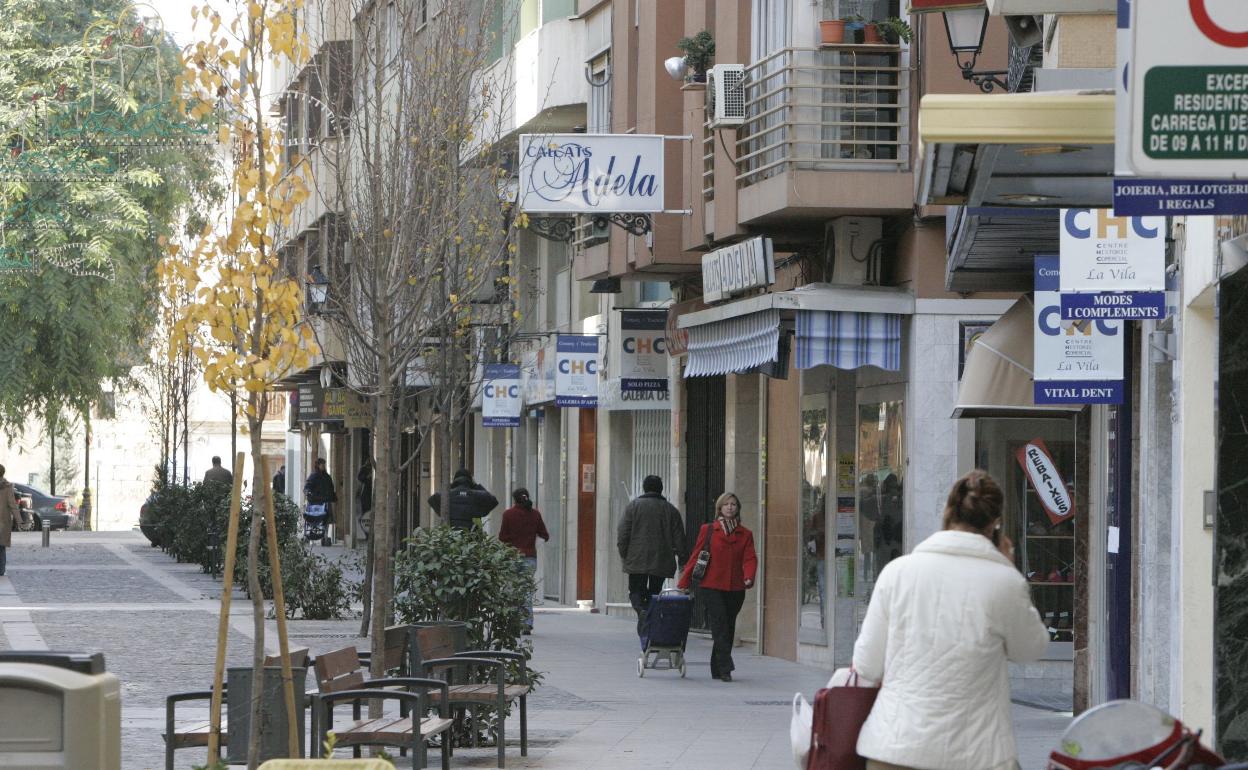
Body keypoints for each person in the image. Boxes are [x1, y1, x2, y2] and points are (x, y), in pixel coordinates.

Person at [852, 470, 1050, 770]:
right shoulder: (1003, 582)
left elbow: (867, 664)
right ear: (995, 524)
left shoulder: (898, 573)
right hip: (978, 753)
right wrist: (1008, 569)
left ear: (947, 513)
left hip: (895, 747)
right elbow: (1030, 649)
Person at [677, 492, 757, 682]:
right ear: (719, 508)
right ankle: (726, 667)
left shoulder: (745, 534)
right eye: (726, 504)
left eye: (734, 504)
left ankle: (716, 668)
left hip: (736, 587)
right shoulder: (709, 530)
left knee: (728, 627)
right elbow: (696, 555)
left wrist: (748, 577)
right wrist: (684, 582)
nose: (730, 507)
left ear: (738, 509)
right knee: (719, 624)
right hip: (712, 585)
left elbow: (750, 558)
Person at [616, 475, 687, 635]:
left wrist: (624, 554)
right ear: (661, 489)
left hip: (636, 559)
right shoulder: (671, 510)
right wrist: (682, 559)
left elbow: (623, 533)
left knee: (635, 590)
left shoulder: (633, 507)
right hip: (661, 560)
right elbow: (679, 538)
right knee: (655, 591)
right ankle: (649, 614)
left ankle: (642, 610)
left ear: (644, 488)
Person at [499, 488, 549, 635]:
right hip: (530, 557)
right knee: (526, 591)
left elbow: (502, 537)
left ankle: (514, 623)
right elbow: (545, 534)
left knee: (513, 591)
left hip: (513, 557)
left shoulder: (508, 514)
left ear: (514, 499)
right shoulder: (535, 514)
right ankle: (527, 623)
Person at [428, 468, 499, 530]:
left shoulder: (447, 495)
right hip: (472, 537)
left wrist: (450, 487)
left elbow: (432, 499)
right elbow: (493, 501)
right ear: (470, 480)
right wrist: (476, 485)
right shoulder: (477, 495)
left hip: (451, 537)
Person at [0, 465, 22, 576]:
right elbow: (13, 505)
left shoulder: (7, 487)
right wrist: (19, 520)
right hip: (3, 521)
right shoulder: (7, 487)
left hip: (2, 521)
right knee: (1, 547)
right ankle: (1, 569)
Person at [355, 460, 373, 539]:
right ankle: (367, 534)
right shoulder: (364, 468)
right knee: (365, 514)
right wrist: (367, 477)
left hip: (370, 494)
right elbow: (360, 478)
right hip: (366, 494)